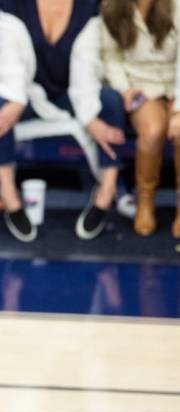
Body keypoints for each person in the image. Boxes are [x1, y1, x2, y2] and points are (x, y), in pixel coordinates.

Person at [0, 0, 128, 242]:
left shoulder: (87, 7)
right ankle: (8, 192)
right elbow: (8, 54)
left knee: (111, 101)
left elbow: (86, 66)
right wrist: (16, 98)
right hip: (29, 92)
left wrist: (90, 118)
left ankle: (106, 191)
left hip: (72, 94)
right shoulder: (13, 5)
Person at [100, 0, 180, 237]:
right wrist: (124, 89)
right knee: (153, 131)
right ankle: (145, 202)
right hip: (141, 85)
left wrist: (177, 110)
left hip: (175, 80)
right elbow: (110, 57)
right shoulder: (111, 8)